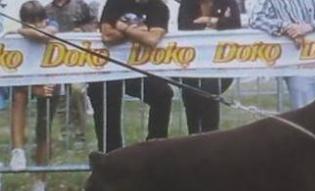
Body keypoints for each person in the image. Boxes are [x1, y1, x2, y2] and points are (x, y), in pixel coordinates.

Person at [87, 0, 174, 152]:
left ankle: (155, 149)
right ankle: (111, 155)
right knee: (101, 93)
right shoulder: (115, 3)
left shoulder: (159, 7)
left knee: (163, 94)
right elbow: (107, 36)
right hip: (111, 68)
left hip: (142, 69)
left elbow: (152, 39)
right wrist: (140, 32)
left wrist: (123, 27)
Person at [249, 0, 315, 109]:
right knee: (307, 115)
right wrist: (287, 28)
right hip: (297, 65)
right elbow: (256, 19)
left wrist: (310, 26)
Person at [8, 0, 59, 191]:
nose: (37, 26)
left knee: (43, 129)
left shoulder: (52, 23)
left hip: (51, 81)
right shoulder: (16, 35)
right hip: (26, 80)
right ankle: (18, 150)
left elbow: (44, 35)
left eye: (39, 21)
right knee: (18, 99)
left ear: (44, 19)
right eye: (30, 22)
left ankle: (40, 181)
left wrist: (22, 31)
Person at [178, 0, 241, 134]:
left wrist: (208, 20)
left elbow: (235, 24)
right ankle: (193, 137)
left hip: (223, 62)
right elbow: (184, 27)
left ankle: (211, 137)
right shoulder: (187, 3)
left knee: (209, 92)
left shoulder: (228, 2)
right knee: (190, 96)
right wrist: (219, 23)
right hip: (192, 62)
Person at [44, 0, 98, 145]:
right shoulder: (47, 9)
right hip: (55, 59)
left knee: (77, 90)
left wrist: (83, 30)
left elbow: (94, 24)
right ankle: (66, 133)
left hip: (76, 58)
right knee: (61, 97)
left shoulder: (81, 5)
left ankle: (80, 133)